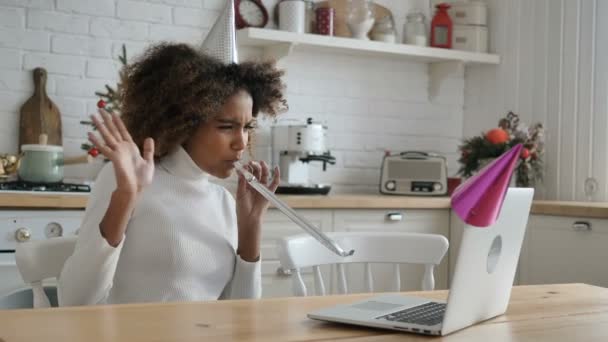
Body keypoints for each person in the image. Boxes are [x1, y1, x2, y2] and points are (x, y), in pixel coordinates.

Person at [58, 43, 287, 306]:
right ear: (184, 123)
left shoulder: (223, 202)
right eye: (226, 127)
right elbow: (73, 302)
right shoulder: (125, 180)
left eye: (247, 127)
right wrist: (125, 197)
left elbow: (241, 317)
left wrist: (250, 229)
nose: (241, 143)